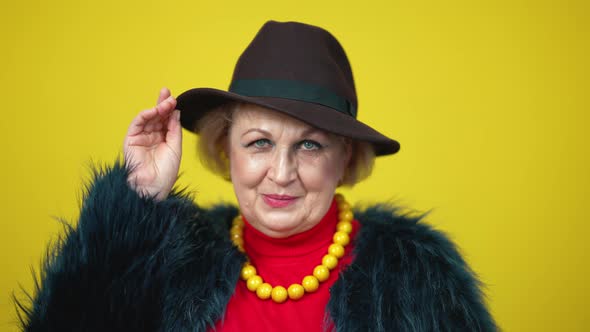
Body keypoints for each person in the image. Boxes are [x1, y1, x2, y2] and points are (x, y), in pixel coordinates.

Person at [16, 21, 497, 331]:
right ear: (227, 150)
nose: (281, 173)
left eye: (310, 145)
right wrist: (137, 199)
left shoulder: (417, 277)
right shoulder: (169, 262)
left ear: (345, 157)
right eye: (259, 143)